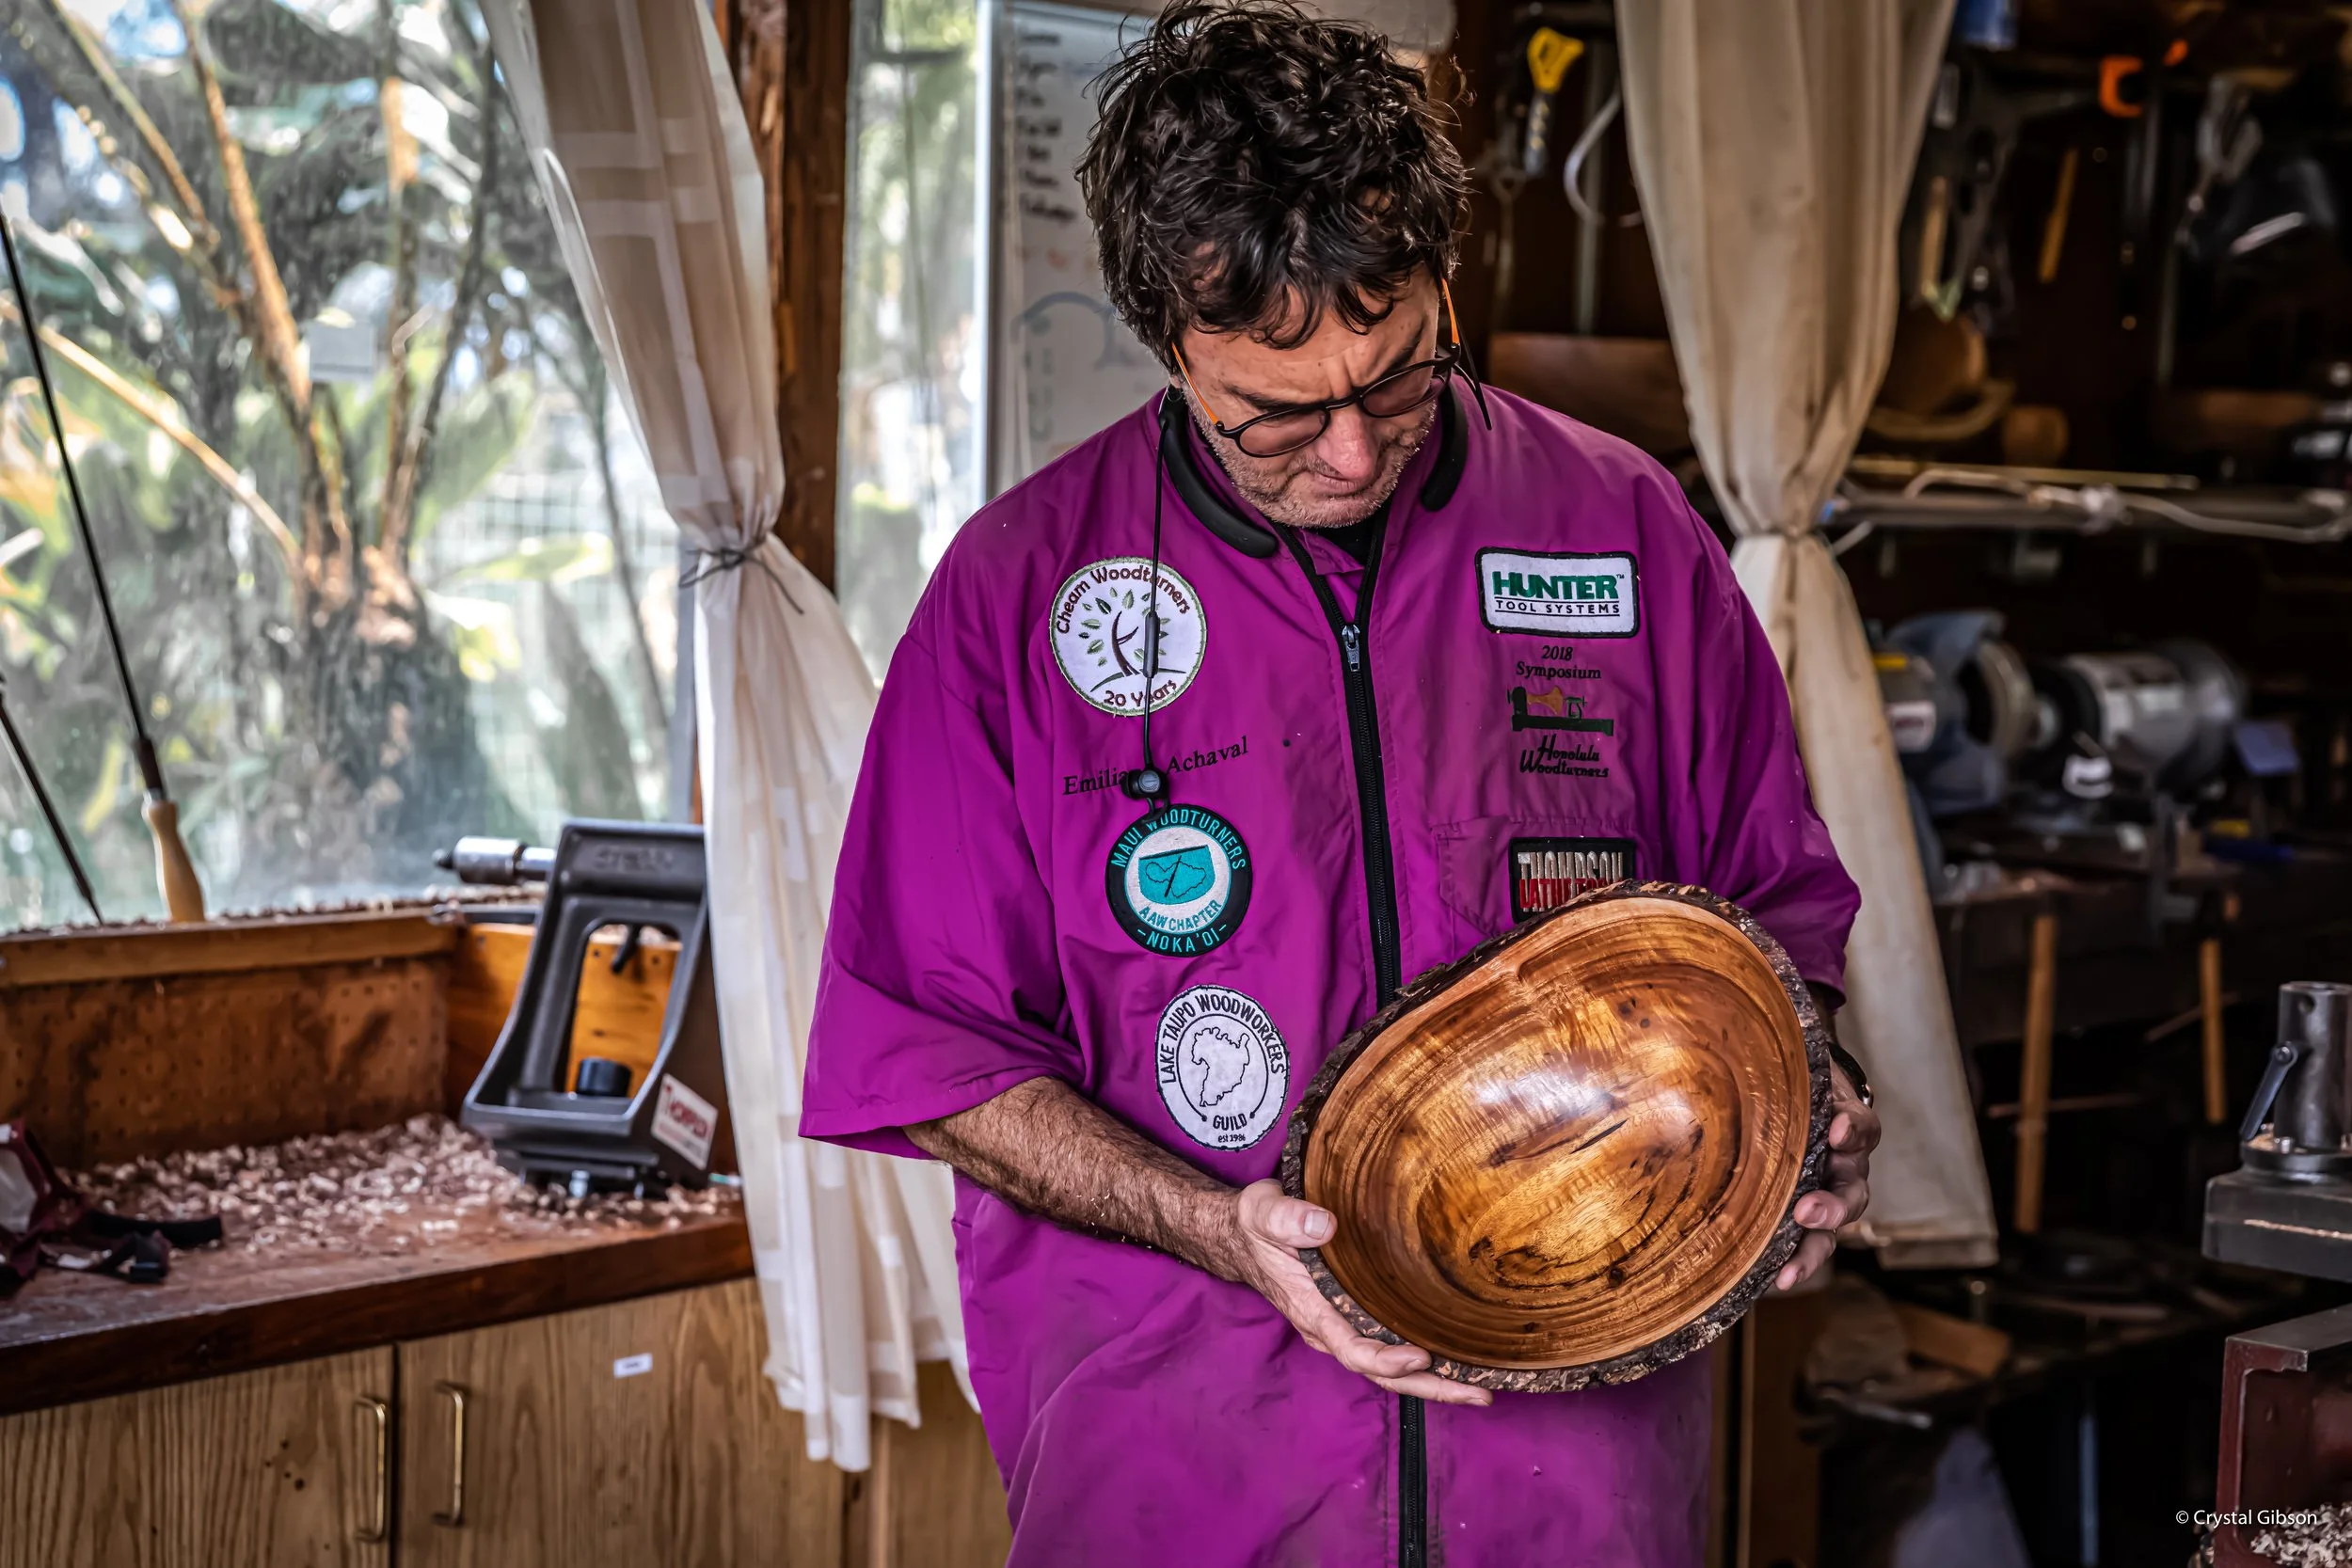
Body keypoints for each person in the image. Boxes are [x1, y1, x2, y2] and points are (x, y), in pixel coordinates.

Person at [802, 4, 1879, 1562]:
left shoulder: (1622, 532)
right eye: (1280, 416)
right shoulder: (1017, 596)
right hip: (1178, 1455)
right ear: (1168, 346)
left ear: (1448, 284)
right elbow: (930, 1050)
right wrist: (1215, 1230)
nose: (1357, 454)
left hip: (1572, 1471)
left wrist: (1810, 1103)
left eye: (1400, 377)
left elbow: (1772, 914)